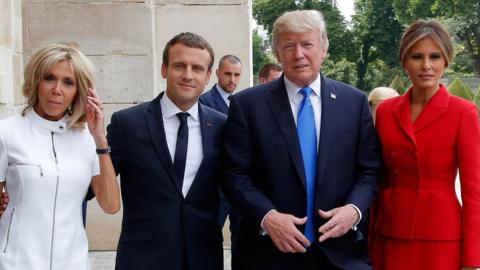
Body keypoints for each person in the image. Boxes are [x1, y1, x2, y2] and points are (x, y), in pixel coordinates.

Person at [222, 10, 380, 270]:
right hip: (268, 252)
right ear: (277, 53)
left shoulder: (354, 103)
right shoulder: (247, 105)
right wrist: (268, 217)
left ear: (324, 49)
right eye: (288, 46)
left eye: (307, 44)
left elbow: (370, 171)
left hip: (340, 253)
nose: (298, 54)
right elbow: (234, 174)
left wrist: (354, 209)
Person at [109, 32, 226, 270]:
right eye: (179, 66)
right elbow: (93, 184)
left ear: (208, 76)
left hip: (203, 257)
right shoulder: (127, 123)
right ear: (164, 69)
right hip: (142, 258)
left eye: (197, 68)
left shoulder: (223, 126)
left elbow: (235, 183)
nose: (188, 75)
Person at [370, 20, 480, 270]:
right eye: (417, 56)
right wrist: (371, 241)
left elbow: (474, 193)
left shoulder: (463, 113)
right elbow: (379, 179)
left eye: (435, 56)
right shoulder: (386, 112)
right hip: (390, 236)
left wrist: (472, 260)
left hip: (441, 242)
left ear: (446, 61)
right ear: (404, 61)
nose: (426, 66)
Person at [0, 44, 120, 269]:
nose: (57, 89)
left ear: (80, 91)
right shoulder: (6, 133)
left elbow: (111, 205)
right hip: (15, 262)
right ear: (35, 81)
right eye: (49, 78)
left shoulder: (88, 139)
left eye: (68, 82)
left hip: (73, 262)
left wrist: (100, 139)